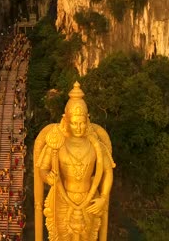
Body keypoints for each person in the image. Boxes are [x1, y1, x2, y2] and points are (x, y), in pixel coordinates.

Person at [34, 82, 116, 241]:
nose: (78, 127)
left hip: (89, 199)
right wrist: (48, 177)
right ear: (66, 121)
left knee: (87, 236)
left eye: (82, 123)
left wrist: (103, 198)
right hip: (62, 198)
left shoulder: (96, 145)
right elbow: (42, 169)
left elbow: (107, 172)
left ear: (87, 120)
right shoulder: (56, 144)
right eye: (74, 123)